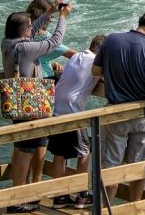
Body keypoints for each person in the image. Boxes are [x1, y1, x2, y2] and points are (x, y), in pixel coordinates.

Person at [92, 8, 145, 203]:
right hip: (142, 117)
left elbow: (95, 70)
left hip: (115, 115)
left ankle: (105, 207)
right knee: (140, 167)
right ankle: (134, 206)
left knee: (111, 167)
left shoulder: (111, 40)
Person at [0, 0, 71, 213]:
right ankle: (18, 200)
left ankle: (18, 195)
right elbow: (55, 40)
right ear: (24, 31)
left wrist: (49, 11)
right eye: (30, 26)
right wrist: (62, 17)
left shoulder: (8, 43)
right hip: (30, 105)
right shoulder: (27, 48)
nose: (33, 28)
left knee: (22, 148)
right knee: (26, 151)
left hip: (16, 101)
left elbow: (36, 28)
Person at [47, 34, 106, 209]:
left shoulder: (77, 56)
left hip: (56, 108)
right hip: (71, 112)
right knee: (85, 151)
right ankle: (82, 195)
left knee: (60, 155)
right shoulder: (95, 61)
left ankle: (60, 197)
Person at [26, 0, 75, 79]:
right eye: (52, 15)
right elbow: (72, 54)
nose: (52, 18)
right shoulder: (44, 36)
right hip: (44, 82)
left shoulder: (22, 34)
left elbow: (36, 60)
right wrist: (62, 16)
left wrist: (51, 64)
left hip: (26, 83)